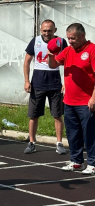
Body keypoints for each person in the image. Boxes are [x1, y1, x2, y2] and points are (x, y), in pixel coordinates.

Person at [47, 23, 95, 174]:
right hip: (69, 101)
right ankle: (76, 161)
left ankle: (93, 163)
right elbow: (53, 64)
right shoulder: (68, 50)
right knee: (73, 133)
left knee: (90, 133)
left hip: (86, 101)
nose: (70, 41)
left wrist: (93, 98)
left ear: (82, 36)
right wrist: (50, 54)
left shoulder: (92, 49)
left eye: (73, 38)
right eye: (68, 38)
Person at [23, 19, 68, 154]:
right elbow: (27, 61)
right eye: (44, 30)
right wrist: (26, 80)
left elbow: (67, 62)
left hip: (54, 82)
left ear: (55, 30)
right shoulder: (35, 41)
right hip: (38, 82)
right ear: (40, 30)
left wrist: (65, 82)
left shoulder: (61, 42)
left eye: (49, 30)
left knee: (57, 114)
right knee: (33, 115)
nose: (47, 33)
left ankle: (59, 143)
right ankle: (31, 142)